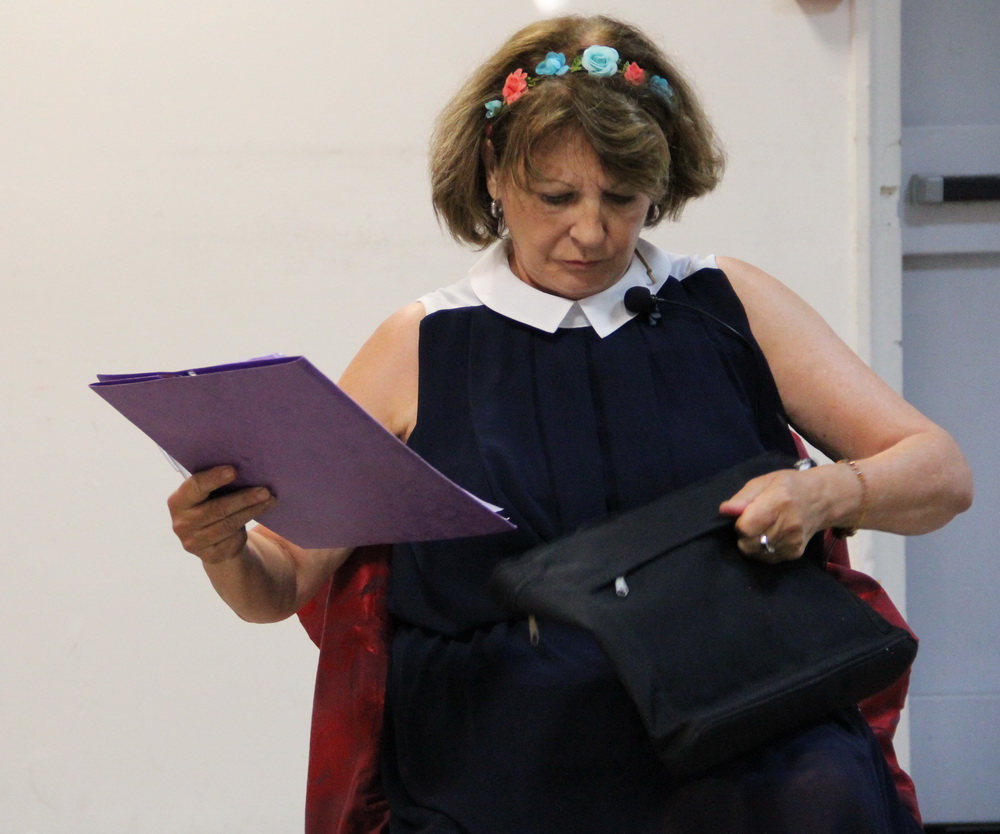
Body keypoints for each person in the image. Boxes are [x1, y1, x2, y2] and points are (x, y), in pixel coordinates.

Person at [167, 14, 973, 834]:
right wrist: (224, 547)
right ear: (493, 172)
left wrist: (829, 492)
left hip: (736, 706)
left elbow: (940, 472)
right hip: (507, 744)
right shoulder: (423, 345)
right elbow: (280, 584)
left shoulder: (727, 303)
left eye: (622, 198)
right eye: (556, 197)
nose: (591, 231)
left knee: (825, 790)